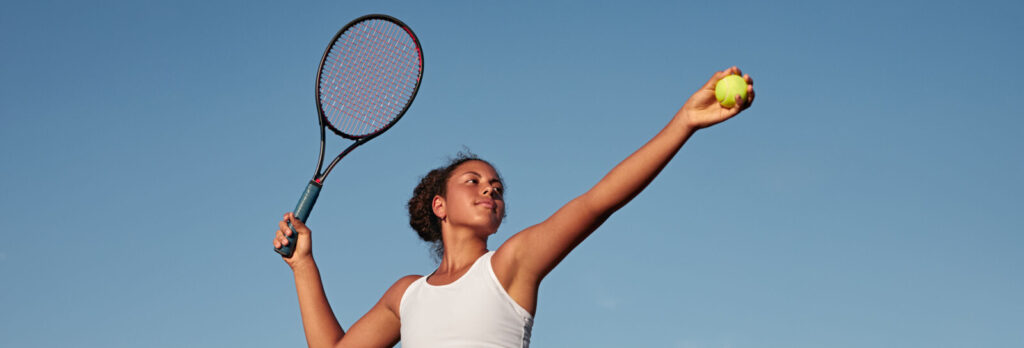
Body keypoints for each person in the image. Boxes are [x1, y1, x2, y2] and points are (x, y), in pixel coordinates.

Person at [273, 67, 755, 347]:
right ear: (439, 205)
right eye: (474, 181)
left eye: (497, 187)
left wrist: (682, 124)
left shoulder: (510, 265)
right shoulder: (406, 296)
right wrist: (303, 265)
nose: (490, 190)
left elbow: (599, 200)